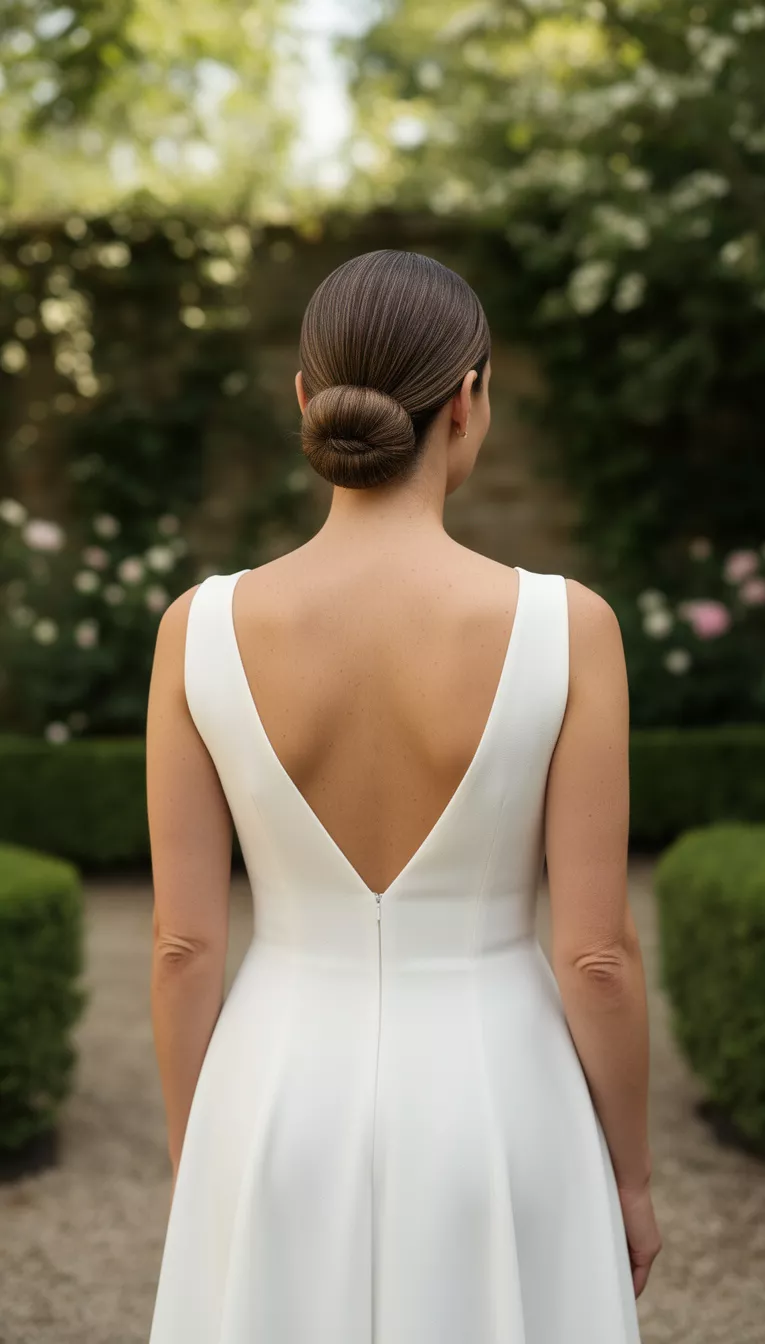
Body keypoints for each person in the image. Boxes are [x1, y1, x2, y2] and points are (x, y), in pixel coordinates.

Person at [146, 248, 661, 1343]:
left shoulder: (198, 628)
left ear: (304, 397)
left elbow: (183, 947)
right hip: (501, 1097)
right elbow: (598, 955)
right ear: (470, 399)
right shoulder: (569, 628)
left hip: (273, 1094)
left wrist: (206, 1156)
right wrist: (631, 1177)